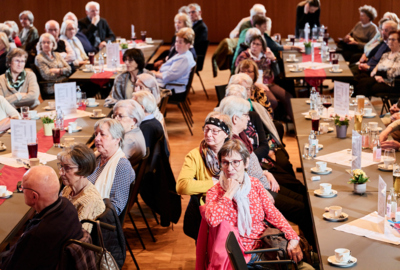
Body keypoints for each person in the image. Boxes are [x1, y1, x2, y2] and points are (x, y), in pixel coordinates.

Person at [218, 96, 314, 243]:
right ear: (236, 119)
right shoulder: (232, 143)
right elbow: (237, 177)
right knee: (303, 211)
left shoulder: (241, 136)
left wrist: (265, 172)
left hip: (263, 182)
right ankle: (309, 248)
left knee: (305, 200)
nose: (248, 119)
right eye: (245, 115)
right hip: (259, 191)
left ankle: (308, 242)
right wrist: (262, 190)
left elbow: (247, 167)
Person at [201, 139, 305, 268]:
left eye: (235, 162)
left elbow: (273, 213)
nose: (230, 168)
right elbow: (212, 220)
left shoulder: (254, 184)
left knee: (306, 260)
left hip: (266, 242)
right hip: (247, 255)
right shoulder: (215, 192)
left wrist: (293, 237)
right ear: (220, 164)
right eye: (225, 163)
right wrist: (229, 193)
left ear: (246, 163)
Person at [0, 166, 83, 270]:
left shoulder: (38, 235)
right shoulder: (67, 205)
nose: (21, 190)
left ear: (34, 196)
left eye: (23, 188)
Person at [235, 34, 294, 121]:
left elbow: (277, 73)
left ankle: (294, 125)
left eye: (257, 44)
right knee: (272, 101)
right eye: (253, 43)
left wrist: (273, 59)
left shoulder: (265, 55)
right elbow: (239, 75)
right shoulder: (244, 56)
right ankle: (266, 121)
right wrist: (257, 84)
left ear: (263, 46)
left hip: (268, 83)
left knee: (288, 97)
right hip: (252, 85)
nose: (254, 46)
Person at [88, 118, 135, 216]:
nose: (96, 138)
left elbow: (117, 206)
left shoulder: (122, 166)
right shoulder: (96, 158)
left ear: (117, 139)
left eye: (102, 134)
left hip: (97, 220)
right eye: (96, 134)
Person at [58, 143, 105, 233]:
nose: (61, 173)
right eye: (61, 166)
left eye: (67, 168)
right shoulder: (68, 189)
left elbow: (79, 238)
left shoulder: (89, 200)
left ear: (83, 170)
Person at [356, 30, 400, 98]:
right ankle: (357, 103)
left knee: (365, 84)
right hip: (380, 79)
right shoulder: (386, 54)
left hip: (392, 84)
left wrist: (379, 74)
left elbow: (392, 74)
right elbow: (377, 68)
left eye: (393, 40)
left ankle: (360, 105)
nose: (390, 42)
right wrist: (377, 75)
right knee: (360, 79)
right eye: (389, 39)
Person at [153, 27, 196, 95]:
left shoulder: (184, 58)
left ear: (188, 45)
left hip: (171, 88)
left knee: (141, 85)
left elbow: (170, 76)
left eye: (180, 42)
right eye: (176, 41)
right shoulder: (182, 53)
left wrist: (155, 74)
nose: (176, 44)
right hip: (167, 84)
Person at [112, 99, 146, 165]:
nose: (115, 119)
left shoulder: (129, 140)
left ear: (134, 120)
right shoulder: (136, 130)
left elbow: (115, 165)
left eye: (120, 116)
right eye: (114, 116)